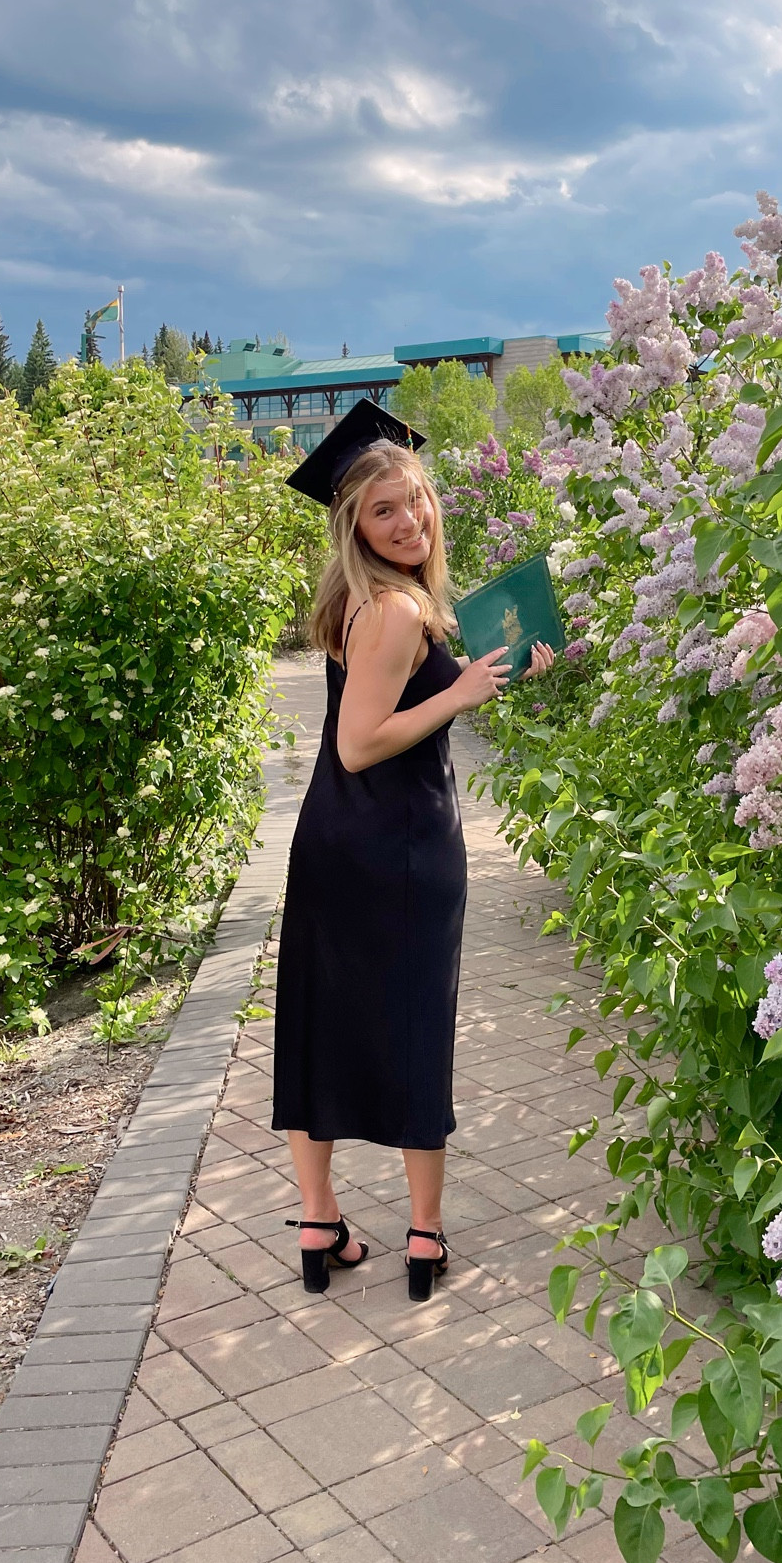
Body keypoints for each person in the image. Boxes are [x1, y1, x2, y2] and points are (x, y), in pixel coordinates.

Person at [273, 402, 553, 1301]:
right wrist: (463, 692)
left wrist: (494, 669)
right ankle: (424, 1235)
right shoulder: (394, 607)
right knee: (415, 1026)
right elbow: (361, 742)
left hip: (333, 840)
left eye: (418, 502)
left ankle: (321, 1222)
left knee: (317, 1030)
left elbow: (378, 718)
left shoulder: (364, 600)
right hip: (400, 846)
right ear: (353, 522)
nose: (410, 521)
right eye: (384, 509)